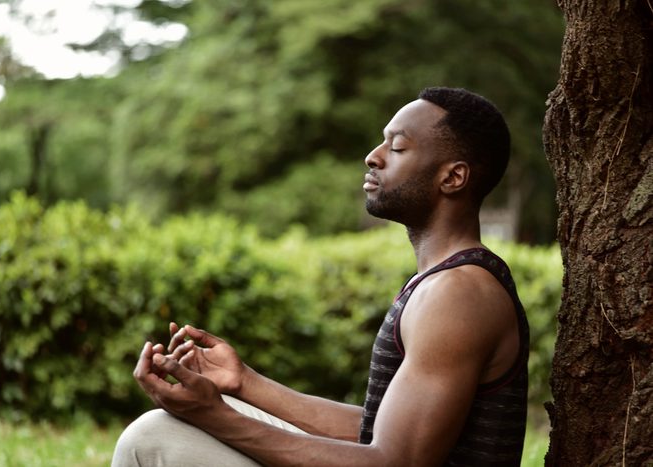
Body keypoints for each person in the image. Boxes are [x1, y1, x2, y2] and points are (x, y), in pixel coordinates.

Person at [112, 87, 530, 466]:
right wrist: (243, 384)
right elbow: (377, 431)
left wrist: (214, 415)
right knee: (171, 428)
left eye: (398, 147)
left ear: (453, 177)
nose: (374, 156)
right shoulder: (444, 282)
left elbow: (395, 461)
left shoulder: (458, 294)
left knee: (153, 438)